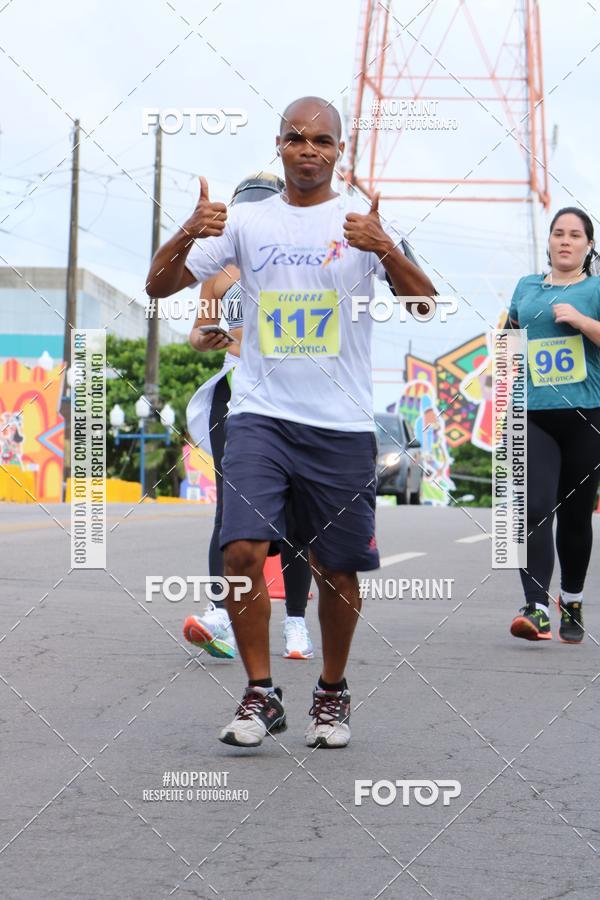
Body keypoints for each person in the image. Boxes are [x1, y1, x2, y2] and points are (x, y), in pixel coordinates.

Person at [147, 96, 435, 749]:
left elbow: (421, 304)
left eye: (322, 141)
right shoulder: (246, 222)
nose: (309, 150)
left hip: (340, 425)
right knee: (240, 548)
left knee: (337, 568)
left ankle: (331, 694)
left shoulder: (361, 222)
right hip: (260, 416)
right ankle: (260, 692)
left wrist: (385, 247)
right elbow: (157, 286)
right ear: (279, 145)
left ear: (339, 151)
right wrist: (189, 230)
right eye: (297, 139)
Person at [183, 173, 314, 661]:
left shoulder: (297, 266)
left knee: (299, 514)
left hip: (291, 394)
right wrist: (209, 337)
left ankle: (296, 622)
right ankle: (222, 614)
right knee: (229, 511)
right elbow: (196, 332)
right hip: (234, 393)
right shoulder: (219, 270)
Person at [507, 207, 600, 643]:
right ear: (548, 242)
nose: (565, 241)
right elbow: (507, 334)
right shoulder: (526, 287)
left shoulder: (596, 289)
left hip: (587, 416)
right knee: (535, 507)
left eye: (575, 235)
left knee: (577, 516)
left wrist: (581, 321)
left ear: (588, 245)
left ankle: (573, 598)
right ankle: (537, 607)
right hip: (533, 413)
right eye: (558, 234)